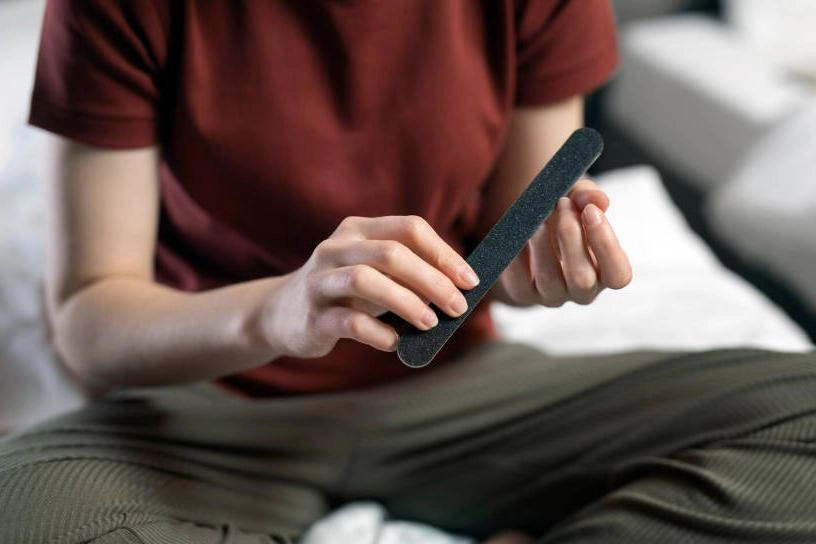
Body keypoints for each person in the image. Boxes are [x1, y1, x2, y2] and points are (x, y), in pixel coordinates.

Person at [2, 1, 816, 542]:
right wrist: (277, 313)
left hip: (463, 388)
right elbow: (87, 323)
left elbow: (515, 238)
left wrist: (542, 256)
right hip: (204, 412)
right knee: (24, 509)